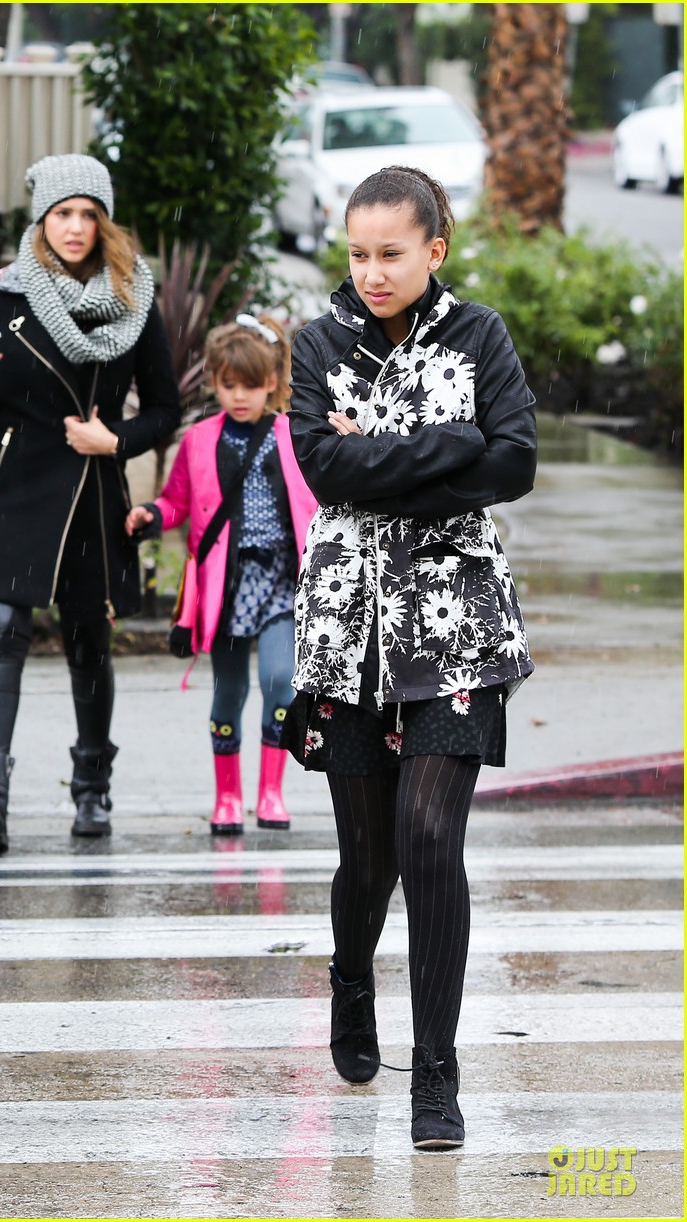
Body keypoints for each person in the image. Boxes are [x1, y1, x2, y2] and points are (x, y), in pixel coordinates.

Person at [283, 166, 536, 1149]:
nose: (372, 271)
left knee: (428, 835)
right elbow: (322, 468)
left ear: (435, 249)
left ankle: (435, 1072)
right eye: (358, 253)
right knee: (370, 858)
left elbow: (514, 460)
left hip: (457, 614)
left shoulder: (479, 336)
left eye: (392, 253)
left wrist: (383, 464)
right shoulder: (319, 344)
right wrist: (450, 440)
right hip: (348, 623)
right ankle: (352, 980)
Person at [0, 154, 181, 854]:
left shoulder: (133, 298)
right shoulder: (0, 296)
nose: (77, 226)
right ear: (43, 220)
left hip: (91, 490)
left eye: (89, 214)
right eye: (63, 213)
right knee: (3, 630)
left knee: (90, 638)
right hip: (14, 484)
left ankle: (91, 788)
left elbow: (167, 409)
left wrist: (116, 440)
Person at [125, 315, 318, 835]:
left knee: (280, 681)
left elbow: (322, 498)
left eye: (250, 385)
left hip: (283, 581)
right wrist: (151, 513)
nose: (239, 396)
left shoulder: (294, 436)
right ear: (213, 381)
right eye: (228, 384)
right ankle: (228, 797)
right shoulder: (199, 440)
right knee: (228, 692)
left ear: (272, 382)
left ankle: (271, 792)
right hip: (224, 587)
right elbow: (177, 501)